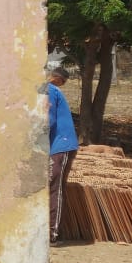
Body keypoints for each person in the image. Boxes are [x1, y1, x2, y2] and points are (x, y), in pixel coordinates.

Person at [47, 66, 79, 242]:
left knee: (55, 188)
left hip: (61, 146)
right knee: (50, 186)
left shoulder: (49, 89)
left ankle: (52, 233)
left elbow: (48, 120)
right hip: (57, 146)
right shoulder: (48, 89)